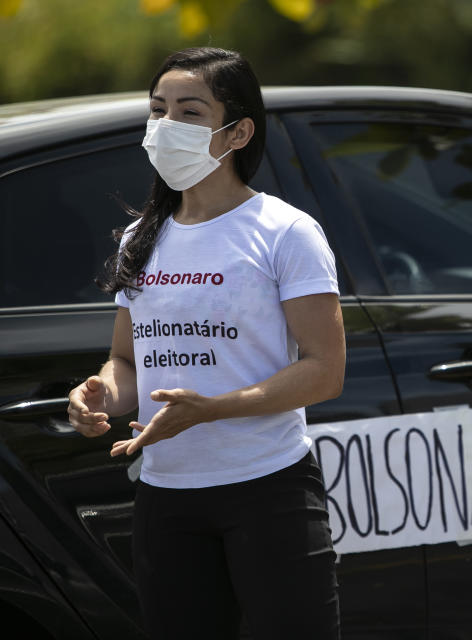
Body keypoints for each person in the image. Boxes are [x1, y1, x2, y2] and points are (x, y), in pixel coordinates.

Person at [66, 47, 344, 640]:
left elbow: (324, 371)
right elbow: (126, 360)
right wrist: (101, 394)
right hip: (167, 498)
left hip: (267, 491)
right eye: (157, 110)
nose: (166, 127)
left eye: (189, 112)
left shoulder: (285, 232)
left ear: (238, 130)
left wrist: (214, 409)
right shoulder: (142, 236)